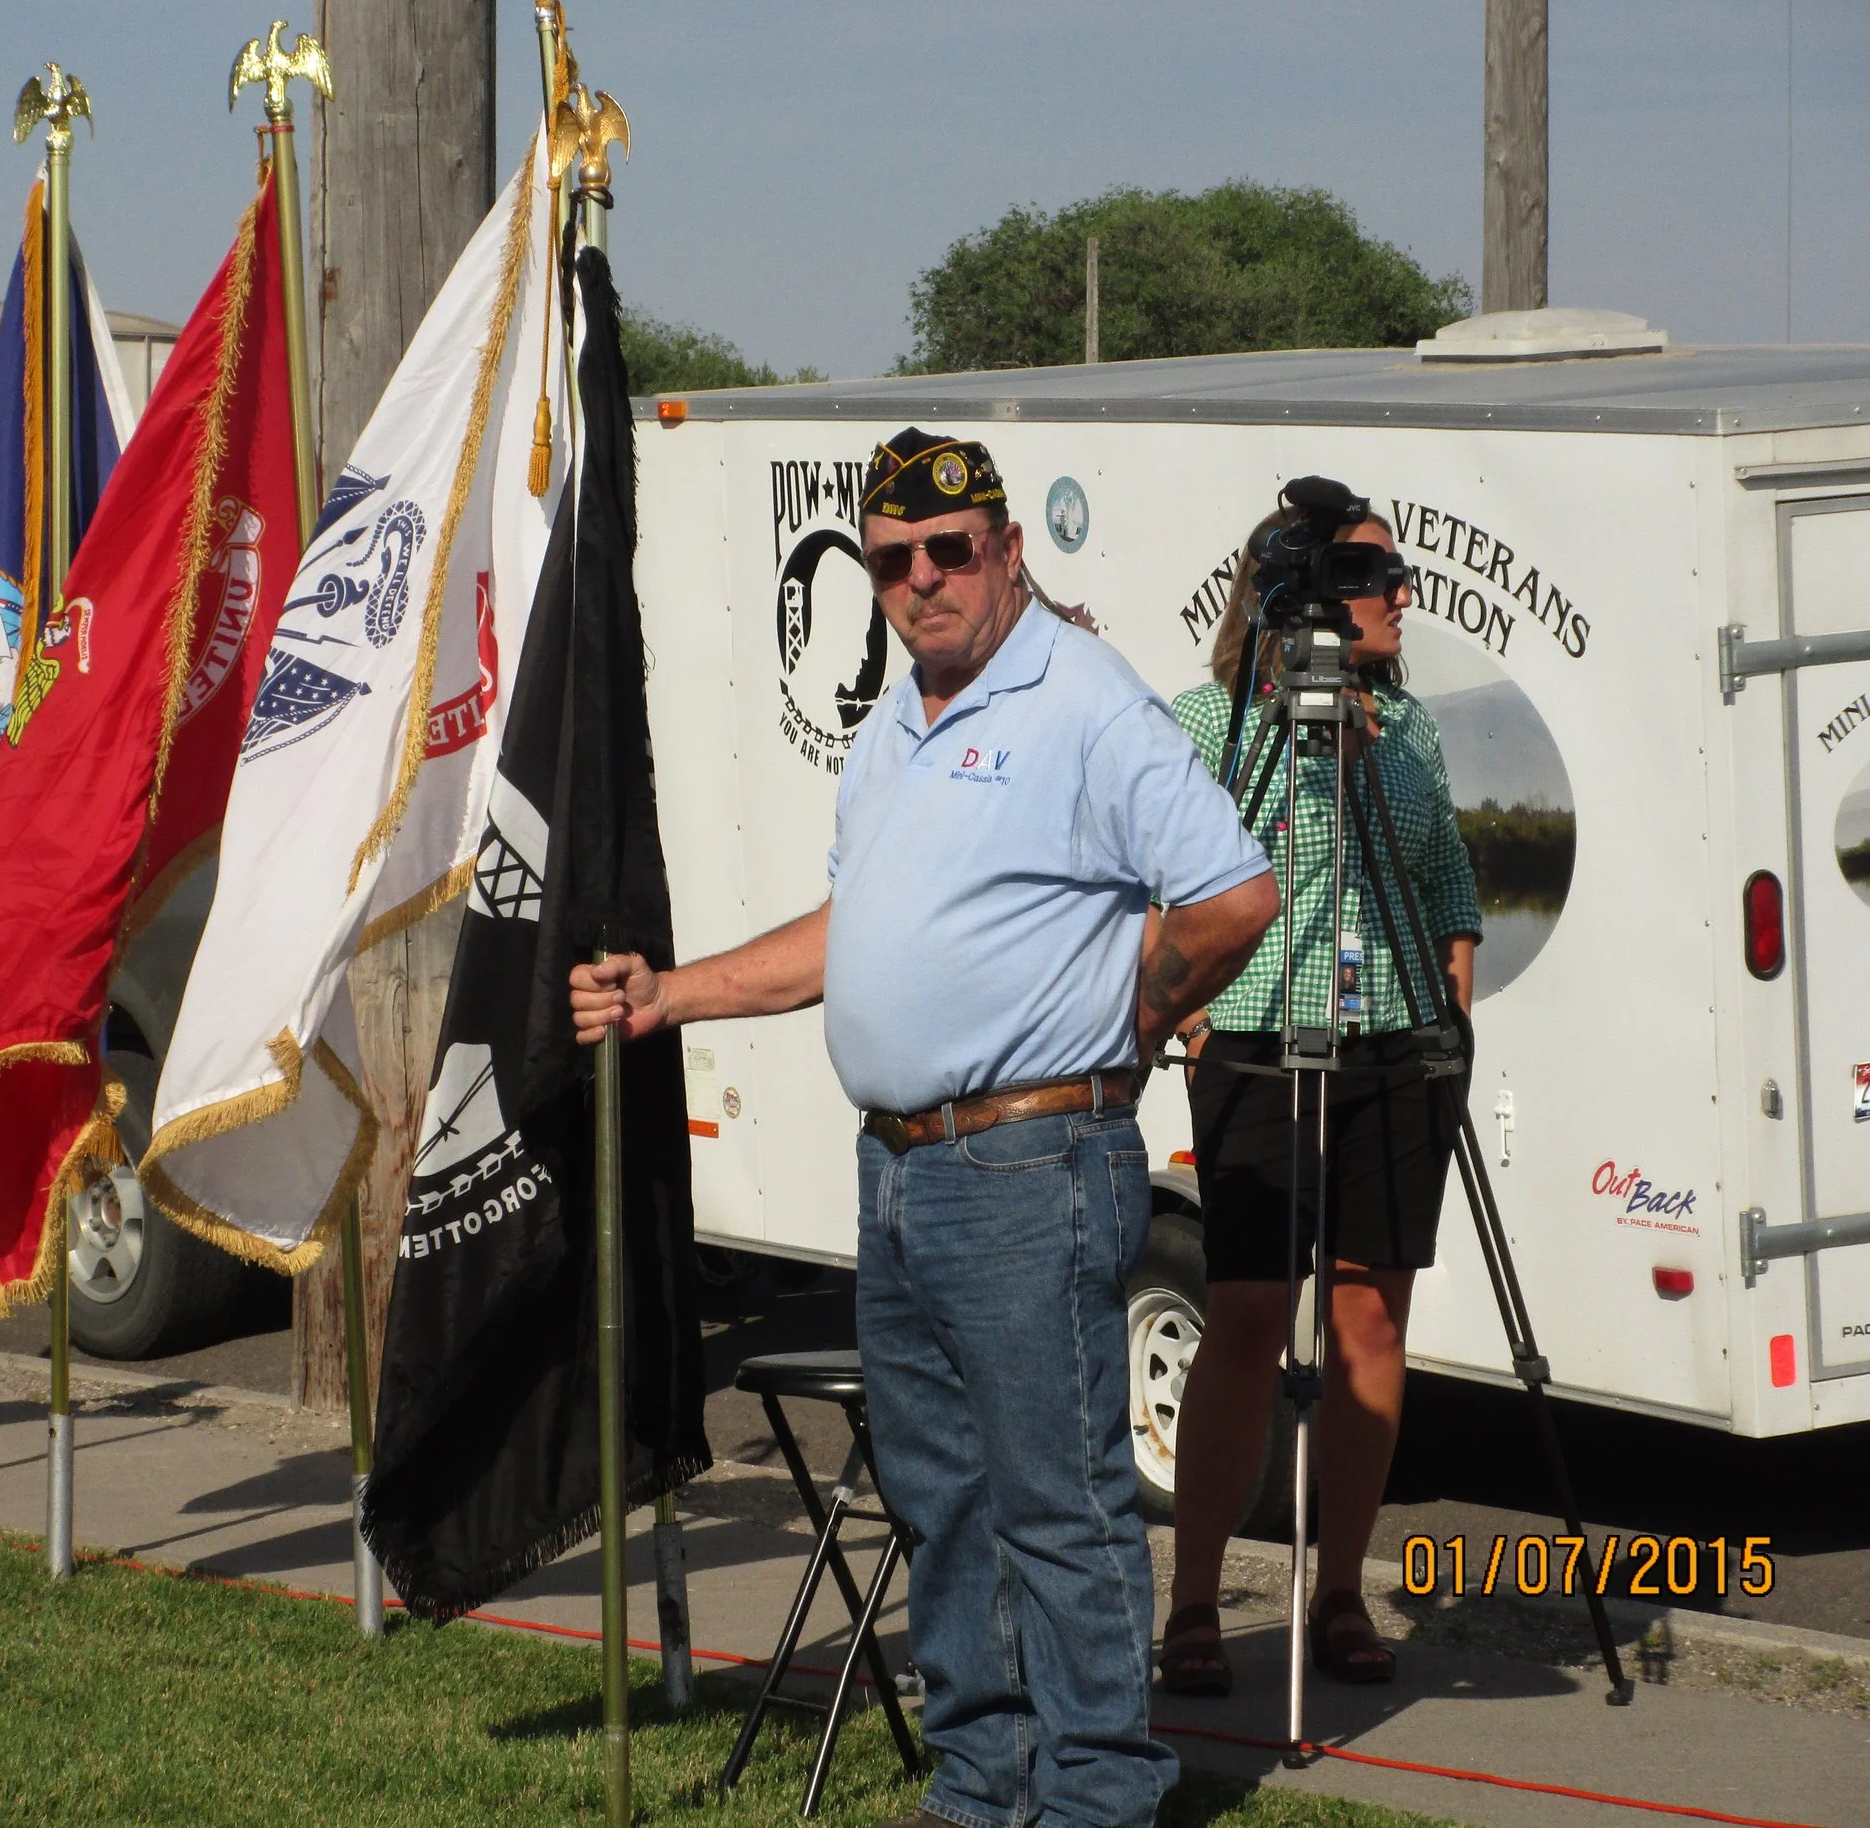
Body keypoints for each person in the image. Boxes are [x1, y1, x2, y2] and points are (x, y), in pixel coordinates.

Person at [571, 430, 1277, 1828]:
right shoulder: (898, 720)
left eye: (950, 550)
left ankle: (1096, 1794)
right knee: (941, 1497)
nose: (922, 579)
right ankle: (981, 1783)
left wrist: (1131, 1024)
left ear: (1007, 550)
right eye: (893, 560)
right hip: (900, 1165)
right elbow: (854, 929)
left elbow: (1233, 895)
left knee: (1058, 1504)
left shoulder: (1084, 698)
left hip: (1030, 1164)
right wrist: (670, 994)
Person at [1157, 488, 1482, 1694]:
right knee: (1248, 1311)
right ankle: (1194, 1601)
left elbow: (1445, 874)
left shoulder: (1408, 726)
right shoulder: (1208, 720)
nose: (1401, 595)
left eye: (1396, 575)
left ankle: (1339, 1591)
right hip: (1254, 1037)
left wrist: (1454, 1000)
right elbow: (1160, 877)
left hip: (1393, 1039)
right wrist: (1191, 1016)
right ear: (1297, 595)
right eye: (1374, 576)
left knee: (1370, 1318)